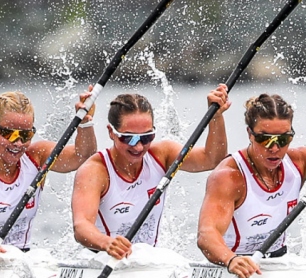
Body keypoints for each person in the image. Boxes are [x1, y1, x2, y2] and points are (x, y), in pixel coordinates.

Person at [196, 93, 306, 278]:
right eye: (265, 139)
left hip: (278, 264)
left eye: (283, 139)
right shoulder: (229, 177)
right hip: (233, 267)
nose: (274, 148)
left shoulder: (300, 161)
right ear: (250, 134)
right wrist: (231, 260)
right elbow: (207, 235)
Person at [71, 84, 232, 260]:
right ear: (111, 132)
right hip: (103, 260)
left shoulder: (162, 154)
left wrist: (216, 117)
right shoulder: (95, 171)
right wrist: (107, 243)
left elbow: (212, 159)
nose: (139, 147)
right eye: (129, 138)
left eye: (147, 137)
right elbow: (81, 226)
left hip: (146, 262)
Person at [0, 88, 98, 265]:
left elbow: (83, 157)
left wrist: (85, 122)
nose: (18, 143)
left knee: (43, 258)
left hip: (19, 261)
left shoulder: (37, 157)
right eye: (9, 134)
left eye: (25, 135)